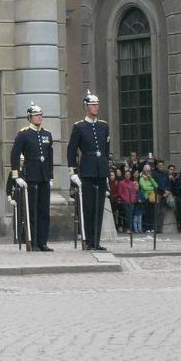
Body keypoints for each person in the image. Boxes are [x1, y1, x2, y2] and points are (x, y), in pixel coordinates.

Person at [67, 90, 110, 251]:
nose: (96, 107)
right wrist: (73, 172)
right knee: (88, 207)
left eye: (97, 104)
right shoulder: (79, 127)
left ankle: (96, 241)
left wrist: (106, 172)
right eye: (93, 104)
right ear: (86, 107)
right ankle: (88, 240)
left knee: (99, 208)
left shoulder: (103, 126)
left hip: (100, 170)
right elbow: (71, 150)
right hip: (87, 170)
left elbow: (106, 149)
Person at [10, 102, 54, 251]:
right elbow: (15, 155)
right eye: (36, 115)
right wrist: (16, 175)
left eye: (40, 115)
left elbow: (50, 157)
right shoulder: (23, 134)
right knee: (32, 211)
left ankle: (42, 241)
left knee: (44, 211)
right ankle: (32, 241)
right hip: (31, 175)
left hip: (43, 176)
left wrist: (51, 176)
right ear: (29, 118)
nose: (39, 117)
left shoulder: (47, 134)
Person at [152, 160, 171, 233]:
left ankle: (160, 228)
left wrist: (168, 190)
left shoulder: (166, 173)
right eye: (159, 165)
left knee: (163, 212)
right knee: (157, 211)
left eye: (162, 165)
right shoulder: (154, 173)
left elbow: (168, 183)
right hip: (158, 194)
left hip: (165, 195)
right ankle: (156, 228)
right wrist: (163, 191)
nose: (161, 167)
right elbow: (156, 184)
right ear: (157, 166)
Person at [138, 164, 158, 234]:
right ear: (144, 171)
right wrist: (152, 188)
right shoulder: (141, 179)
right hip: (145, 198)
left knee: (152, 213)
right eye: (146, 171)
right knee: (146, 213)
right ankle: (147, 228)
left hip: (152, 198)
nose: (148, 172)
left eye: (149, 171)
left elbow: (156, 185)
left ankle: (152, 228)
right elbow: (144, 187)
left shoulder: (150, 178)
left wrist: (150, 178)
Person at [117, 169, 136, 234]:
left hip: (131, 202)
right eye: (126, 174)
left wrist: (132, 199)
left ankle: (130, 228)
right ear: (124, 175)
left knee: (131, 215)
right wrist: (126, 199)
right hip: (124, 202)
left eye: (129, 174)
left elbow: (134, 192)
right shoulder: (121, 183)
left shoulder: (132, 183)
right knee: (126, 215)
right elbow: (120, 193)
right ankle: (126, 228)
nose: (128, 176)